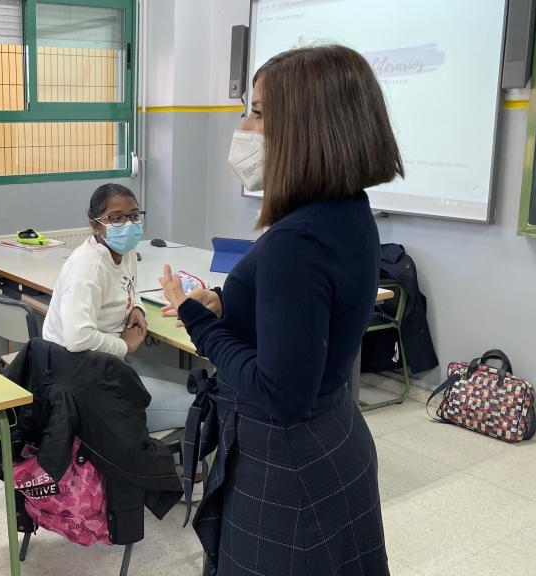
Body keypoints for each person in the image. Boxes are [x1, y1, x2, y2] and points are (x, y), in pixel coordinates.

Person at [159, 45, 398, 575]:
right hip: (332, 440)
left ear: (308, 126)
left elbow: (279, 393)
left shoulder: (299, 239)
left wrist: (198, 320)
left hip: (288, 464)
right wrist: (230, 305)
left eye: (259, 112)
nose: (244, 125)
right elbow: (310, 316)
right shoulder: (345, 211)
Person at [41, 183, 192, 433]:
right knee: (201, 403)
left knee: (198, 383)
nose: (129, 224)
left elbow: (130, 286)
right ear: (95, 224)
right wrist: (125, 346)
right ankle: (190, 472)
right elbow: (78, 338)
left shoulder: (126, 250)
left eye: (134, 215)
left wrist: (137, 308)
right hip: (80, 377)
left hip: (108, 362)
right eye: (117, 218)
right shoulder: (87, 268)